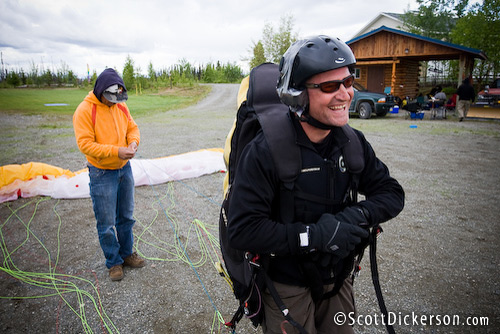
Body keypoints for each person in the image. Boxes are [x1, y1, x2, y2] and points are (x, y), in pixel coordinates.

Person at [227, 35, 405, 334]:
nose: (345, 94)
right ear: (297, 94)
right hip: (286, 284)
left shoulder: (352, 142)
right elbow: (242, 230)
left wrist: (357, 216)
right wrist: (313, 236)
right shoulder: (265, 152)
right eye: (328, 87)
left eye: (348, 82)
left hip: (339, 278)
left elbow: (391, 193)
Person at [73, 68, 145, 281]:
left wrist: (133, 142)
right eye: (111, 99)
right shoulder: (85, 110)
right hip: (102, 173)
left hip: (124, 169)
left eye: (118, 99)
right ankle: (113, 262)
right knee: (106, 223)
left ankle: (127, 254)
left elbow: (132, 127)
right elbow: (85, 144)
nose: (115, 103)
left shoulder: (121, 106)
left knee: (126, 217)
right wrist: (116, 151)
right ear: (101, 91)